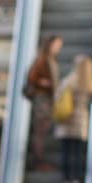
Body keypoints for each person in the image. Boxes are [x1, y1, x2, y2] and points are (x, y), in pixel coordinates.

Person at [55, 54, 92, 183]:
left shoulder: (68, 80)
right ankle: (76, 179)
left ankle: (65, 179)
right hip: (81, 121)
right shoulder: (89, 83)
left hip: (66, 120)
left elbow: (58, 96)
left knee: (66, 152)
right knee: (78, 152)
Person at [25, 33, 62, 171]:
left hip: (47, 99)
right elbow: (32, 79)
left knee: (43, 129)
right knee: (40, 130)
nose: (58, 48)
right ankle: (37, 160)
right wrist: (44, 83)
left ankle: (38, 159)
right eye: (56, 45)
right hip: (42, 99)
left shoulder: (50, 60)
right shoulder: (42, 59)